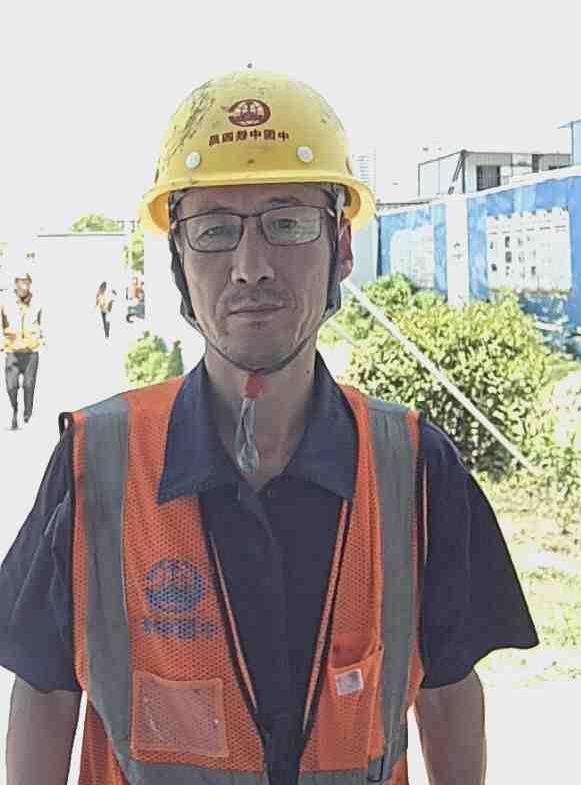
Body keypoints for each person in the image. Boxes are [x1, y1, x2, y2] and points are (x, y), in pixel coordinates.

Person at [0, 69, 538, 785]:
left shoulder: (413, 467)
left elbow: (447, 690)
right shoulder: (96, 465)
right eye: (215, 230)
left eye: (287, 224)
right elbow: (45, 692)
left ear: (341, 247)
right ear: (178, 259)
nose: (250, 268)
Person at [0, 271, 43, 430]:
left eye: (27, 282)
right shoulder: (5, 301)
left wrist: (42, 340)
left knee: (29, 385)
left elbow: (44, 323)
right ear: (16, 283)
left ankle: (27, 411)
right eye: (21, 282)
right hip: (12, 351)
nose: (24, 286)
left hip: (31, 352)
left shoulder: (37, 301)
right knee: (11, 386)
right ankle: (15, 409)